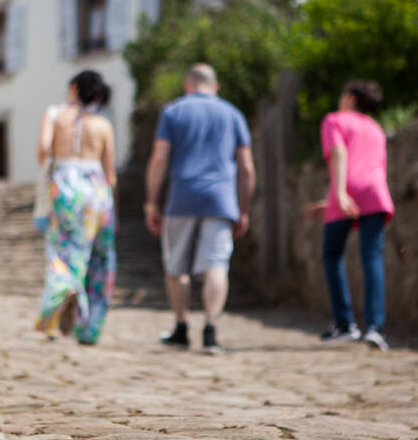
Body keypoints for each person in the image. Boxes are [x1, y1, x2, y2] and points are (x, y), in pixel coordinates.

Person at [144, 63, 256, 353]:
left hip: (182, 198)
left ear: (187, 85)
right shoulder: (233, 114)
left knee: (176, 267)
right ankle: (210, 329)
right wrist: (243, 209)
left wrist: (151, 203)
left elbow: (159, 160)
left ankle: (181, 328)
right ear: (216, 86)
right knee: (216, 265)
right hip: (221, 201)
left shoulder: (173, 111)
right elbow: (246, 167)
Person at [305, 80, 394, 351]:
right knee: (372, 257)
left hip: (347, 189)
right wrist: (333, 198)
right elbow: (372, 166)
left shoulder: (334, 120)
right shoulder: (376, 128)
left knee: (332, 255)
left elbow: (339, 152)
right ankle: (375, 329)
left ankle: (345, 324)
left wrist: (340, 194)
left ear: (352, 98)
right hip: (375, 193)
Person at [35, 70, 117, 345]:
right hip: (96, 189)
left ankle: (55, 316)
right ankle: (89, 328)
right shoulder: (103, 125)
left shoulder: (55, 115)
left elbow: (43, 150)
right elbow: (110, 171)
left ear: (73, 89)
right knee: (99, 258)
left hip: (64, 185)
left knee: (61, 252)